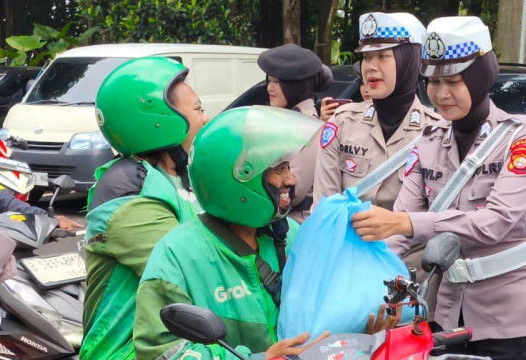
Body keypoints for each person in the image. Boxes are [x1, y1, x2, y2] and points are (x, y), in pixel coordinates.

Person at [350, 17, 526, 360]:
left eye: (454, 80)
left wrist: (404, 223)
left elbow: (495, 222)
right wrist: (377, 281)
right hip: (447, 315)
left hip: (518, 321)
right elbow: (398, 236)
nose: (441, 94)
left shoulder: (521, 138)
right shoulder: (428, 143)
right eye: (432, 82)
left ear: (479, 79)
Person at [133, 106, 328, 359]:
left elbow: (321, 304)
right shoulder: (178, 256)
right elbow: (160, 352)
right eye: (278, 169)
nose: (290, 180)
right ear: (239, 179)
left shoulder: (289, 233)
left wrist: (357, 324)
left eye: (288, 167)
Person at [80, 57, 209, 359]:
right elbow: (189, 271)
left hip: (180, 342)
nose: (205, 119)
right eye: (199, 109)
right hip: (127, 350)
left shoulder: (181, 175)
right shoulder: (129, 188)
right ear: (160, 117)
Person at [313, 12, 441, 210]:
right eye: (366, 56)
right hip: (344, 238)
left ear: (409, 61)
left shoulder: (436, 132)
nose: (370, 67)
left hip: (409, 241)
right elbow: (324, 208)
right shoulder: (342, 123)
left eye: (383, 56)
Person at [258, 43, 333, 223]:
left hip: (295, 224)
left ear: (295, 85)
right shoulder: (288, 119)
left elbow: (294, 192)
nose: (269, 88)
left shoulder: (306, 127)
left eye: (277, 82)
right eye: (269, 81)